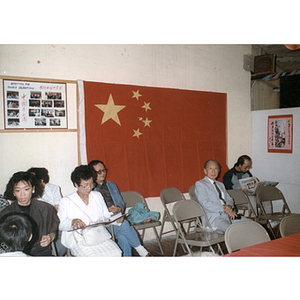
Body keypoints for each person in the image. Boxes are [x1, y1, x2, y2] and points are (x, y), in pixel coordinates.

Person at [88, 160, 151, 257]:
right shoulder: (90, 189)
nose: (103, 173)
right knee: (124, 224)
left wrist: (119, 209)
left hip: (116, 219)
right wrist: (107, 212)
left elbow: (121, 202)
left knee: (123, 238)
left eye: (104, 170)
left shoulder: (112, 185)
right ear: (92, 173)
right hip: (102, 224)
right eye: (99, 171)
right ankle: (142, 251)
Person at [57, 165, 122, 257]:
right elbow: (61, 225)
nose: (89, 188)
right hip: (79, 239)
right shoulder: (66, 201)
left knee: (116, 253)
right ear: (76, 184)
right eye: (85, 185)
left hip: (99, 236)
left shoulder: (97, 195)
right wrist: (72, 222)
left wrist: (117, 218)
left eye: (91, 184)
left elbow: (106, 216)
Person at [0, 171, 59, 256]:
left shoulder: (46, 209)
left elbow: (54, 230)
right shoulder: (6, 214)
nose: (22, 194)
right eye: (17, 190)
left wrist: (50, 237)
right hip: (17, 256)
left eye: (26, 189)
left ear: (33, 189)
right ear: (13, 192)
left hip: (41, 253)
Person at [195, 159, 251, 233]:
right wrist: (224, 209)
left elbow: (229, 198)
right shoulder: (200, 184)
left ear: (219, 171)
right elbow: (205, 203)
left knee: (251, 225)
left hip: (229, 215)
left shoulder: (220, 184)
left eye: (216, 169)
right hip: (215, 218)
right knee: (233, 230)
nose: (213, 171)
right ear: (205, 171)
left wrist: (230, 206)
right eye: (210, 168)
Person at [27, 167, 66, 256]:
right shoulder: (30, 191)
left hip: (52, 221)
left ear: (41, 179)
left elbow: (58, 209)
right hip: (36, 224)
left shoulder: (53, 188)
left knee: (63, 236)